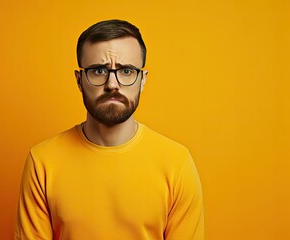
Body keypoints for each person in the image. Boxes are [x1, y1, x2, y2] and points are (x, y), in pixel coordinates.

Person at [15, 19, 204, 240]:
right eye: (98, 70)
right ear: (79, 80)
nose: (112, 84)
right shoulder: (42, 161)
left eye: (126, 71)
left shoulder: (176, 164)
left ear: (142, 79)